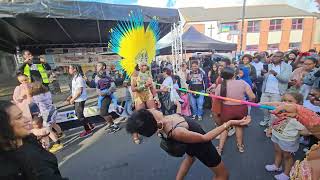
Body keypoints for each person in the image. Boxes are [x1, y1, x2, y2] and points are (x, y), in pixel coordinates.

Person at [126, 108, 252, 180]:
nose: (152, 108)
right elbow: (205, 138)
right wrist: (228, 123)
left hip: (191, 143)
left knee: (189, 159)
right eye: (150, 111)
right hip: (202, 147)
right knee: (223, 175)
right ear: (154, 120)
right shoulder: (177, 132)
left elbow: (148, 113)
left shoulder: (160, 121)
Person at [0, 100, 67, 180]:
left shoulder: (29, 141)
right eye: (19, 117)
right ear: (4, 126)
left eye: (22, 115)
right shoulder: (19, 161)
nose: (27, 120)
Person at [214, 67, 256, 154]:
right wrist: (249, 102)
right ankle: (240, 147)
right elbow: (253, 97)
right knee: (239, 127)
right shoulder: (242, 83)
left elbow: (216, 99)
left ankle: (220, 149)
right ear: (234, 75)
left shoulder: (220, 86)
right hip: (241, 109)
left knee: (225, 128)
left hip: (226, 110)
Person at [259, 51, 293, 128]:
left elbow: (286, 79)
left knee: (274, 110)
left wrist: (275, 74)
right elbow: (263, 78)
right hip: (266, 90)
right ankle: (266, 119)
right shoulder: (269, 65)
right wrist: (262, 74)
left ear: (282, 58)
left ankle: (270, 126)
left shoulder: (287, 67)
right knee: (262, 106)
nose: (274, 58)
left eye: (277, 56)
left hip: (277, 92)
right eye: (274, 56)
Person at [29, 82, 64, 153]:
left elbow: (30, 100)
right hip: (52, 110)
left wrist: (27, 92)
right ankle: (60, 134)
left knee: (47, 129)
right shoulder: (47, 93)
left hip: (47, 113)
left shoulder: (37, 97)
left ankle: (57, 143)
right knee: (53, 124)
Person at [131, 63, 158, 144]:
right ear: (138, 66)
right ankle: (135, 135)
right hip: (138, 96)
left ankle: (158, 130)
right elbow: (133, 89)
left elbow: (152, 87)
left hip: (148, 95)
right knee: (138, 116)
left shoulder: (148, 74)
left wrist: (156, 98)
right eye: (142, 65)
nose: (144, 67)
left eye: (145, 65)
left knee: (154, 113)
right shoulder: (134, 75)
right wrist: (144, 85)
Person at [66, 64, 94, 138]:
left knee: (79, 116)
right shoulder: (75, 78)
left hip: (80, 99)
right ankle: (90, 125)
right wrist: (70, 96)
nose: (69, 70)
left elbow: (79, 91)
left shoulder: (79, 78)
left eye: (70, 68)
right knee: (79, 115)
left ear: (75, 69)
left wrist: (73, 99)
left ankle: (88, 130)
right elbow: (75, 90)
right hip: (77, 99)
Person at [94, 62, 120, 133]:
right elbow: (96, 86)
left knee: (103, 113)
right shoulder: (96, 76)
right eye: (97, 65)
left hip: (107, 96)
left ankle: (114, 126)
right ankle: (110, 123)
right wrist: (99, 92)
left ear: (104, 67)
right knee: (103, 112)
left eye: (99, 65)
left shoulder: (108, 74)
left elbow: (113, 86)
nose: (97, 67)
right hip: (101, 95)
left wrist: (105, 92)